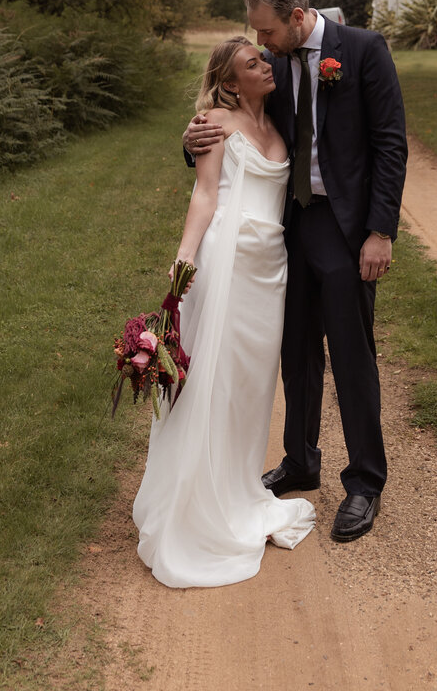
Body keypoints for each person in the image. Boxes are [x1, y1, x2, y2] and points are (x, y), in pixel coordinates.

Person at [184, 0, 407, 542]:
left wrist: (380, 231)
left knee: (352, 352)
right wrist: (193, 142)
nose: (260, 44)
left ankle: (364, 482)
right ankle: (301, 459)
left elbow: (389, 143)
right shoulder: (272, 67)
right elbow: (244, 126)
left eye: (266, 32)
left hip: (347, 226)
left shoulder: (360, 51)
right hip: (290, 225)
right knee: (296, 348)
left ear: (297, 16)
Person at [133, 36, 315, 588]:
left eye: (264, 59)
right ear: (231, 82)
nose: (266, 65)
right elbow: (205, 194)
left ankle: (236, 485)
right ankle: (198, 503)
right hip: (227, 263)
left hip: (270, 272)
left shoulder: (278, 117)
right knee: (211, 376)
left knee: (251, 384)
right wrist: (184, 258)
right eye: (252, 64)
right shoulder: (216, 122)